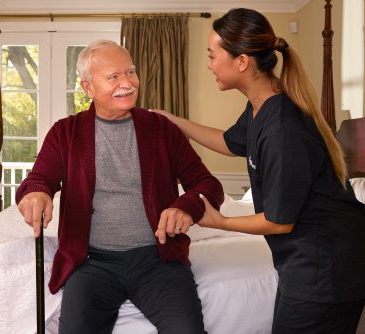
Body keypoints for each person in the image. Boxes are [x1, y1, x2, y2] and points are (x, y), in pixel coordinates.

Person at [152, 8, 365, 334]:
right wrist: (175, 123)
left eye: (213, 55)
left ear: (241, 61)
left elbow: (279, 221)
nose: (209, 64)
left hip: (328, 265)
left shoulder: (283, 128)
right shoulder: (261, 106)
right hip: (312, 260)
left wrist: (221, 221)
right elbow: (231, 142)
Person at [16, 39, 224, 334]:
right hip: (92, 263)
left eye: (130, 72)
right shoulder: (66, 132)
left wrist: (186, 206)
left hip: (159, 261)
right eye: (113, 77)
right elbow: (38, 180)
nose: (127, 83)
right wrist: (36, 193)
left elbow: (208, 185)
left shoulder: (162, 129)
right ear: (88, 87)